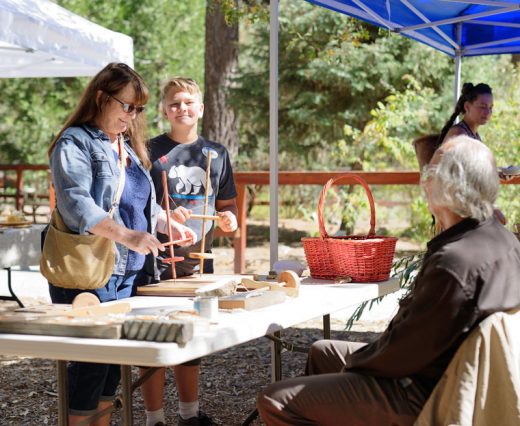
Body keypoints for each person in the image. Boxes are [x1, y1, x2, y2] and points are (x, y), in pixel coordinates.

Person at [257, 135, 520, 426]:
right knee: (323, 351)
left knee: (274, 400)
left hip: (429, 391)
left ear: (449, 187)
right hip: (434, 367)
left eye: (429, 172)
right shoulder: (504, 240)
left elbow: (405, 352)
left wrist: (356, 367)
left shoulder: (456, 263)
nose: (424, 182)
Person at [47, 63, 196, 426]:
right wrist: (129, 236)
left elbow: (138, 202)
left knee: (110, 374)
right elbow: (76, 204)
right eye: (127, 106)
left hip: (125, 274)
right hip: (87, 274)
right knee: (89, 371)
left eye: (138, 109)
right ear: (101, 97)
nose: (132, 116)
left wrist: (164, 224)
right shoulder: (74, 142)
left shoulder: (125, 145)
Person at [139, 77, 237, 426]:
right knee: (151, 341)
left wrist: (230, 221)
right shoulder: (148, 150)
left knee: (190, 337)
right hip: (154, 263)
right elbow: (137, 207)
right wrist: (164, 218)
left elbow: (228, 206)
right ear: (165, 110)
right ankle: (154, 419)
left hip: (197, 265)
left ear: (201, 108)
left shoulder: (217, 154)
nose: (182, 108)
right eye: (175, 103)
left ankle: (189, 415)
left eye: (188, 102)